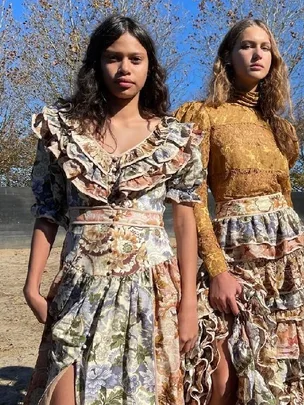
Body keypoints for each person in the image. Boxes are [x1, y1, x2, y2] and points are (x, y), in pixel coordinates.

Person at [23, 15, 202, 405]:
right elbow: (48, 208)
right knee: (62, 396)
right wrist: (32, 284)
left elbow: (186, 223)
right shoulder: (62, 130)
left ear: (149, 66)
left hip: (150, 288)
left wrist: (189, 303)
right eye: (113, 57)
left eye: (136, 59)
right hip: (80, 285)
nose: (125, 68)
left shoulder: (176, 138)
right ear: (96, 64)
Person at [175, 18, 304, 405]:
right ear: (227, 57)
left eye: (265, 47)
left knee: (279, 374)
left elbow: (283, 194)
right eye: (246, 45)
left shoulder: (280, 128)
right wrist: (217, 269)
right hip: (233, 256)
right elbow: (192, 198)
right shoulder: (203, 114)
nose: (257, 53)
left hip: (284, 263)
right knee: (225, 378)